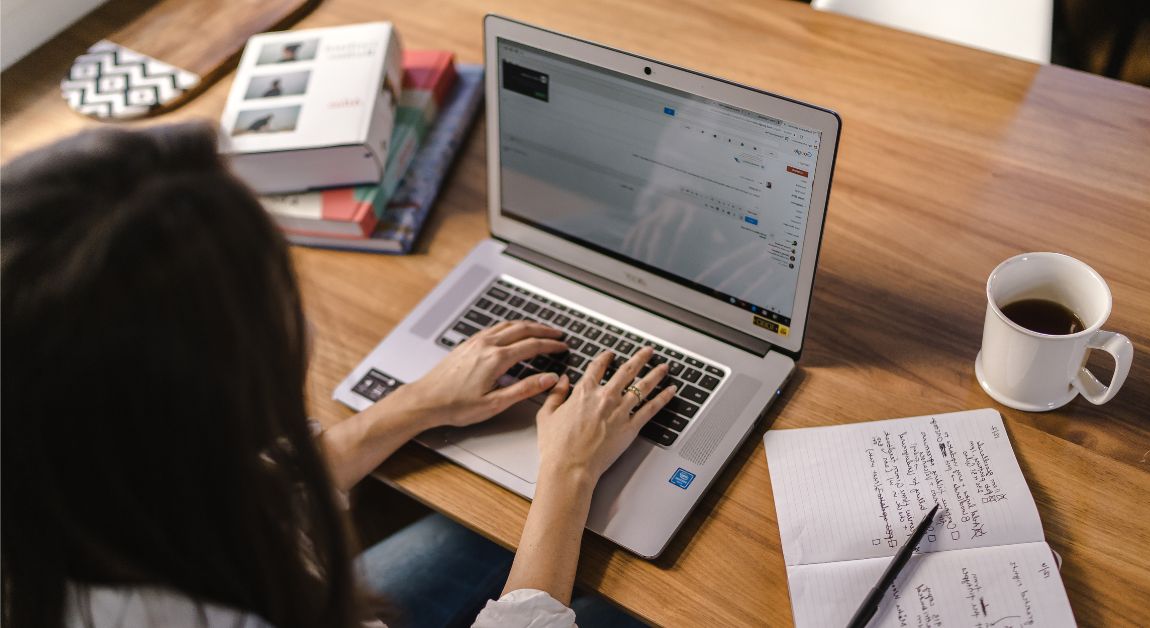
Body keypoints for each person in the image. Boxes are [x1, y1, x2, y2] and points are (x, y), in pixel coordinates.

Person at [0, 123, 676, 627]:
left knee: (473, 530)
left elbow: (251, 490)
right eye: (279, 286)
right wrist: (569, 476)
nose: (306, 323)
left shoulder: (71, 492)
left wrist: (413, 405)